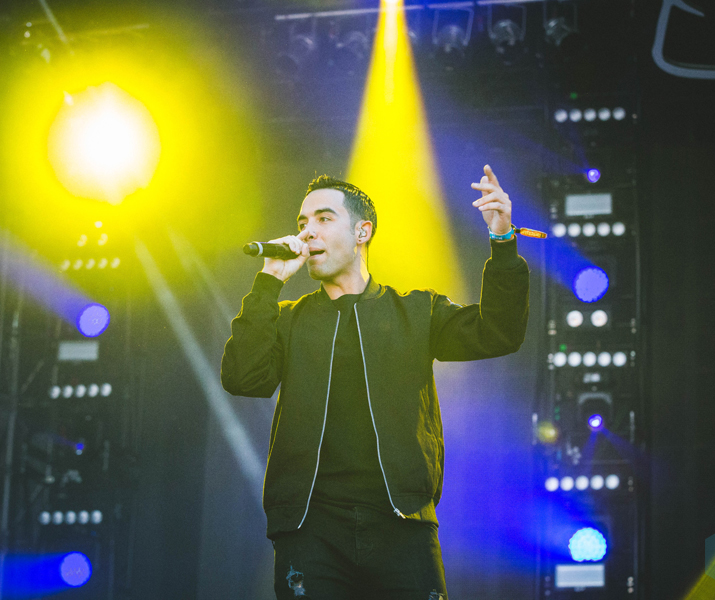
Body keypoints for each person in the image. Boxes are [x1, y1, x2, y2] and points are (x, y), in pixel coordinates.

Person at [221, 165, 530, 600]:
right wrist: (269, 281)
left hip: (402, 524)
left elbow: (499, 332)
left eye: (324, 218)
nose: (308, 231)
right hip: (310, 529)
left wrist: (502, 240)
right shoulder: (289, 320)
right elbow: (242, 378)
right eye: (302, 222)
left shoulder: (416, 312)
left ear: (362, 231)